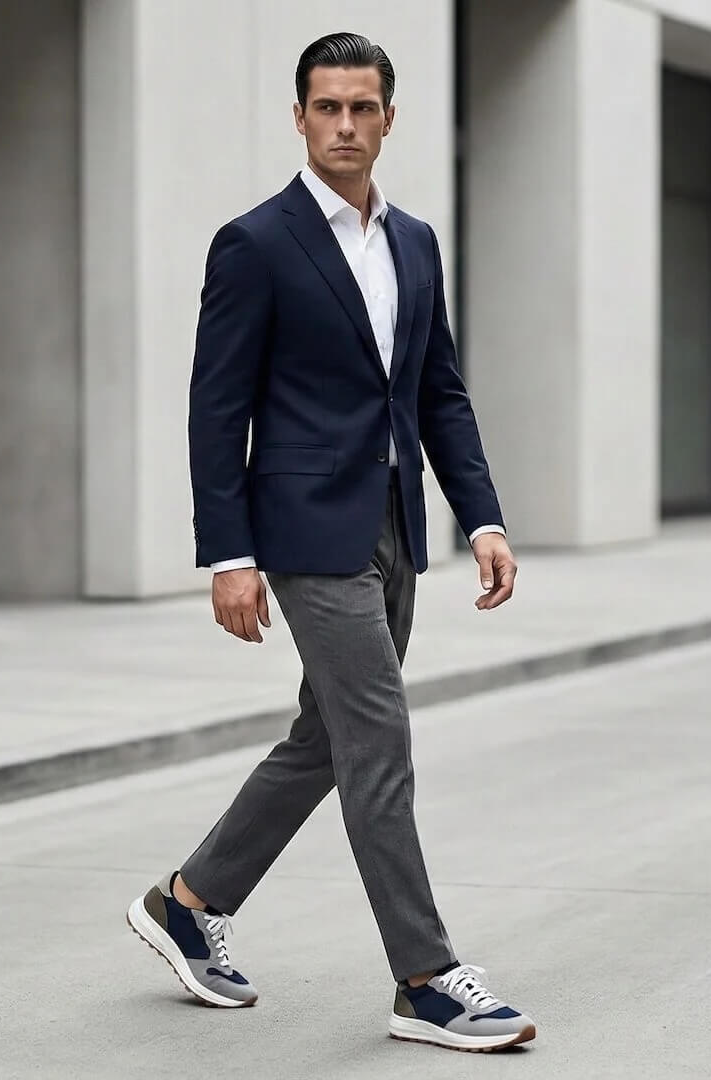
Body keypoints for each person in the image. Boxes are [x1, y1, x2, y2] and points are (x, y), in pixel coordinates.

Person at [123, 31, 536, 1054]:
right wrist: (228, 553)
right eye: (326, 108)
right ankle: (427, 977)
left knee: (329, 737)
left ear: (390, 118)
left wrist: (478, 513)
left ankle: (189, 900)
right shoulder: (256, 244)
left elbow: (438, 389)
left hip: (395, 529)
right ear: (299, 118)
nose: (345, 125)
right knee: (380, 737)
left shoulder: (416, 243)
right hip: (304, 535)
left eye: (363, 108)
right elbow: (215, 411)